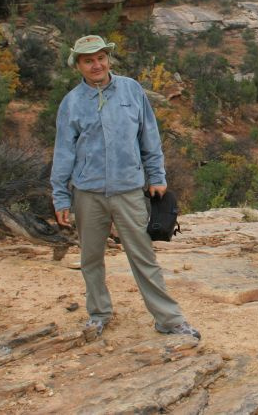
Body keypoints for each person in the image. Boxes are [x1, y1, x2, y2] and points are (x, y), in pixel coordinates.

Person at [50, 34, 200, 341]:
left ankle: (169, 320)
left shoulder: (131, 90)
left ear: (109, 58)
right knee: (90, 257)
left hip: (129, 190)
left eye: (101, 57)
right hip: (88, 193)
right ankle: (99, 314)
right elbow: (63, 152)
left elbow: (149, 137)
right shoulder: (72, 102)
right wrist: (60, 196)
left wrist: (157, 176)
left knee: (143, 256)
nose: (96, 65)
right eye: (88, 60)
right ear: (77, 64)